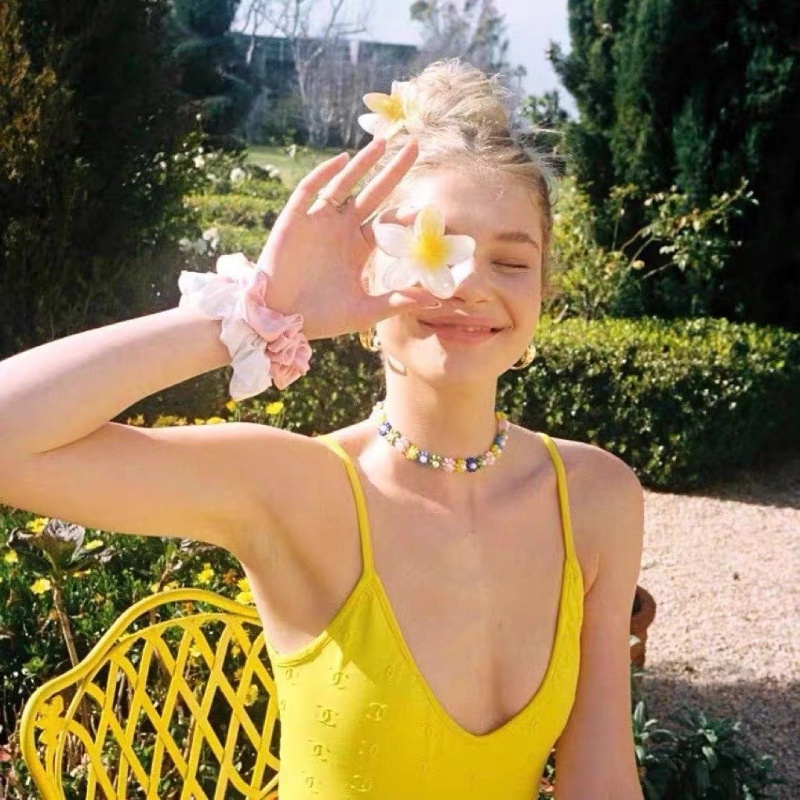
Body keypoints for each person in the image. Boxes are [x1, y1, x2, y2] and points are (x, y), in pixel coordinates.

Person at [0, 60, 644, 798]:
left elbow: (602, 777)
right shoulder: (298, 489)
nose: (469, 282)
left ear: (542, 289)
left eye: (510, 260)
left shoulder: (595, 498)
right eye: (431, 247)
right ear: (364, 272)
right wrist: (257, 313)